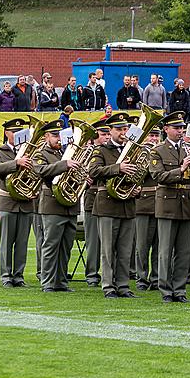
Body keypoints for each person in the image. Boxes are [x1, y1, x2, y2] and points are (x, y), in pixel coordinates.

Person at [88, 113, 139, 298]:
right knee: (108, 250)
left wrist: (137, 189)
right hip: (108, 205)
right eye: (119, 129)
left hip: (127, 205)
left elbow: (139, 174)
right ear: (110, 131)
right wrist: (118, 168)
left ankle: (123, 285)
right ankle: (108, 286)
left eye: (125, 129)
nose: (123, 133)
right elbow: (93, 171)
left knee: (126, 250)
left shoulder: (133, 151)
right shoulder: (101, 150)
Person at [150, 111, 190, 302]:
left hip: (186, 203)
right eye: (176, 128)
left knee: (183, 251)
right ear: (166, 129)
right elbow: (158, 176)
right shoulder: (158, 150)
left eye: (181, 128)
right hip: (168, 204)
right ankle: (165, 290)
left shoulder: (188, 150)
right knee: (165, 250)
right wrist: (182, 169)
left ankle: (180, 289)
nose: (180, 131)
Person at [32, 121, 81, 292]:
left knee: (66, 246)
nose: (58, 139)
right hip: (52, 203)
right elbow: (41, 170)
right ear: (46, 137)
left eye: (60, 135)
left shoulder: (67, 152)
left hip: (70, 204)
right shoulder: (40, 153)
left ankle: (61, 281)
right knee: (51, 245)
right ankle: (47, 282)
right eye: (54, 136)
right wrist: (64, 164)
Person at [0, 118, 35, 288]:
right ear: (6, 133)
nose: (16, 135)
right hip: (8, 201)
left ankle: (19, 275)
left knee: (22, 243)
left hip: (26, 202)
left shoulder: (30, 151)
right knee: (7, 242)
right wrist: (17, 162)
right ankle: (6, 275)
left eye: (19, 132)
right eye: (13, 132)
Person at [83, 119, 112, 287]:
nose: (107, 137)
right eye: (103, 135)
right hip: (92, 196)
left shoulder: (111, 151)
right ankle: (92, 274)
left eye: (108, 134)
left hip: (109, 197)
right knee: (93, 240)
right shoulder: (89, 153)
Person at [133, 130, 161, 292]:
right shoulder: (138, 153)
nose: (154, 139)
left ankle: (156, 278)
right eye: (151, 136)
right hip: (143, 204)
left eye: (156, 136)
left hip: (162, 205)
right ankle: (141, 278)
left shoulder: (162, 151)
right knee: (142, 246)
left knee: (160, 246)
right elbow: (136, 176)